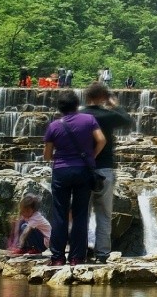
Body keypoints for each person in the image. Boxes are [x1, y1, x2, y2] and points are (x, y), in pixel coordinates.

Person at [43, 89, 105, 266]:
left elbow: (47, 155)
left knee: (59, 214)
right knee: (80, 214)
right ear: (77, 105)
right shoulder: (89, 120)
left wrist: (59, 156)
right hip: (83, 171)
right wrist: (91, 156)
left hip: (61, 171)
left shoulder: (54, 126)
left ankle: (57, 258)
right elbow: (101, 140)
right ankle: (77, 257)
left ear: (60, 108)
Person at [82, 82, 133, 263]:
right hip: (105, 168)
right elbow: (128, 121)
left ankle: (80, 250)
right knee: (104, 213)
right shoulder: (107, 116)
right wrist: (115, 104)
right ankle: (102, 254)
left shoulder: (80, 115)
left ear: (87, 96)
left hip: (83, 169)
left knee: (82, 213)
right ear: (103, 97)